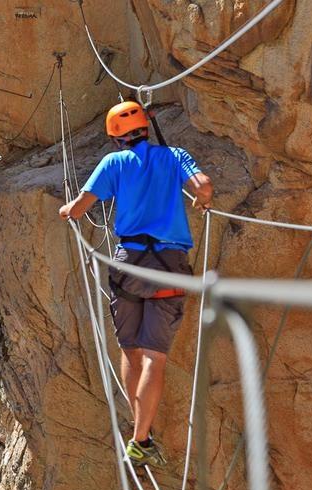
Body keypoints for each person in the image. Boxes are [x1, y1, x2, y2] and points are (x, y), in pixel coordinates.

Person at [58, 101, 213, 467]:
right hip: (168, 267)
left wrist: (67, 211)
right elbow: (203, 186)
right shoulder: (174, 155)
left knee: (130, 348)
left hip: (128, 263)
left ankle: (140, 431)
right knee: (154, 359)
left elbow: (78, 208)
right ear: (146, 127)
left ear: (116, 137)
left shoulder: (114, 163)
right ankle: (140, 438)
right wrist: (202, 201)